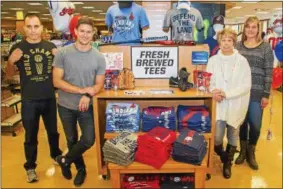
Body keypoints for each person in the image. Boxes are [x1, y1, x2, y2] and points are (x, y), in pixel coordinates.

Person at [6, 13, 62, 183]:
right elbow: (9, 76)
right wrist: (10, 62)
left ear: (42, 28)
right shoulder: (18, 47)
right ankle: (30, 167)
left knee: (53, 132)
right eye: (29, 27)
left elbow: (60, 73)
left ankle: (56, 155)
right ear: (24, 29)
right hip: (29, 100)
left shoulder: (50, 46)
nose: (33, 30)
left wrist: (59, 58)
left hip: (49, 97)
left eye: (36, 26)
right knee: (30, 135)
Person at [53, 17, 106, 187]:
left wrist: (88, 95)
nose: (85, 35)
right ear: (75, 31)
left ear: (93, 34)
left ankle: (65, 160)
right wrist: (81, 90)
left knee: (89, 139)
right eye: (82, 31)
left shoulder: (98, 57)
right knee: (71, 139)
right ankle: (81, 169)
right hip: (65, 105)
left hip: (86, 106)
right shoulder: (63, 53)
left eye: (88, 32)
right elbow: (56, 81)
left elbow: (99, 84)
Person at [206, 28, 251, 179]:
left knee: (233, 135)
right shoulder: (213, 60)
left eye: (229, 40)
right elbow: (209, 81)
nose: (226, 43)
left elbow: (246, 85)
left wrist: (228, 94)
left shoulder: (242, 61)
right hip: (219, 104)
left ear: (234, 42)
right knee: (217, 138)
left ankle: (227, 164)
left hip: (236, 104)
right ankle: (224, 155)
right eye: (223, 40)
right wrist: (214, 91)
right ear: (219, 42)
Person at [235, 16, 274, 170]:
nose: (250, 30)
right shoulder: (238, 46)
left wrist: (266, 94)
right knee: (242, 123)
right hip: (240, 93)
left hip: (258, 93)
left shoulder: (265, 48)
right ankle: (243, 151)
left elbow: (269, 72)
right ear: (244, 29)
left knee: (256, 125)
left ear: (258, 29)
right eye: (248, 26)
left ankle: (251, 151)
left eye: (254, 27)